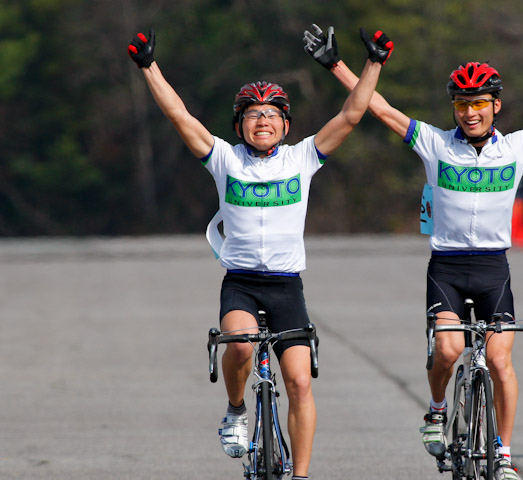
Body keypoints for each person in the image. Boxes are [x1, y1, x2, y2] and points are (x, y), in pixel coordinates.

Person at [304, 24, 523, 478]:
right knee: (446, 351)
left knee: (501, 361)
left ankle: (503, 453)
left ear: (495, 106)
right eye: (462, 104)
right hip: (446, 268)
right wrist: (336, 64)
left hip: (493, 268)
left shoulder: (519, 147)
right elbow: (380, 109)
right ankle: (437, 409)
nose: (470, 113)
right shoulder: (436, 144)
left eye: (479, 104)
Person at [128, 26, 393, 480]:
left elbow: (351, 115)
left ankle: (302, 475)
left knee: (300, 383)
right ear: (239, 126)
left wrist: (373, 64)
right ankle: (235, 411)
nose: (262, 121)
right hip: (243, 285)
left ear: (286, 126)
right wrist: (149, 66)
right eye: (252, 114)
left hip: (287, 287)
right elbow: (179, 115)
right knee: (241, 345)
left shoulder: (303, 158)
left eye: (272, 114)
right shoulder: (225, 161)